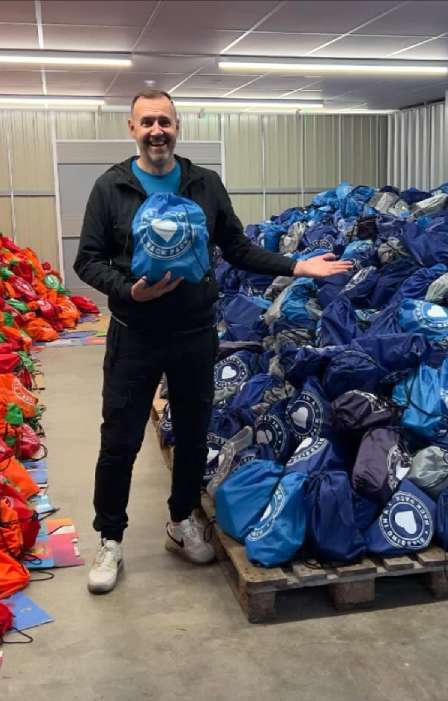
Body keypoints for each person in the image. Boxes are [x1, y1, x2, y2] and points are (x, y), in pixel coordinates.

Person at [74, 88, 352, 594]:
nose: (157, 130)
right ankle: (110, 539)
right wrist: (129, 290)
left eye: (165, 121)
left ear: (177, 127)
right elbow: (87, 260)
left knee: (194, 434)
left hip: (194, 334)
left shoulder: (204, 183)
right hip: (134, 336)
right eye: (147, 122)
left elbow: (237, 246)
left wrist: (297, 265)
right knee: (119, 442)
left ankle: (181, 522)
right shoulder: (110, 187)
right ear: (131, 129)